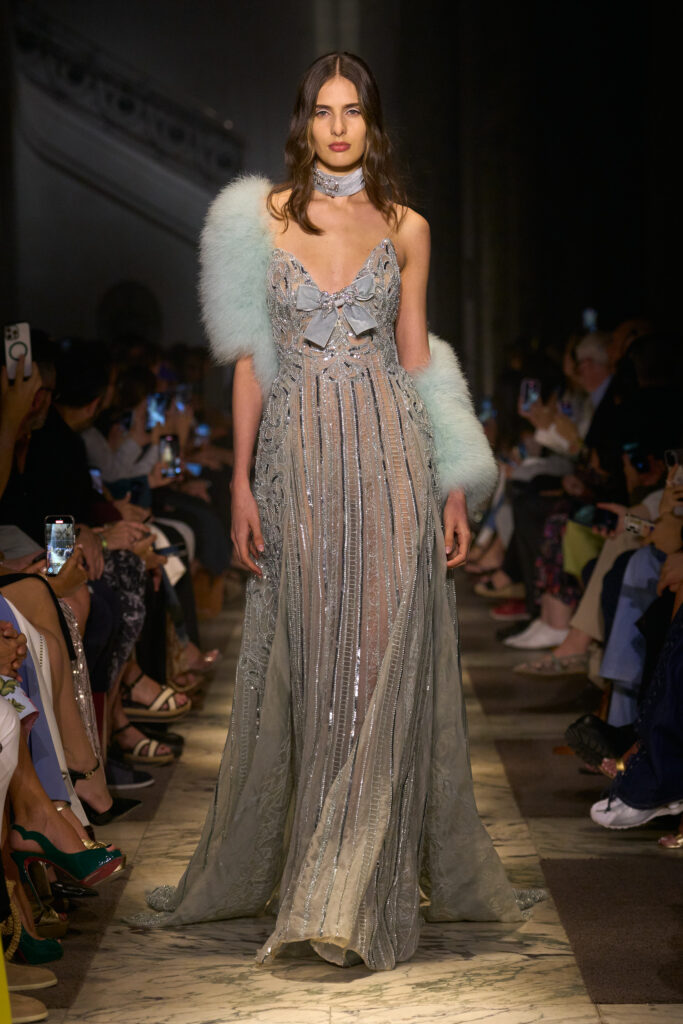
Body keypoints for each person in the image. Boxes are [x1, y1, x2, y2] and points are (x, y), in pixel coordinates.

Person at [134, 52, 539, 970]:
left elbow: (416, 358)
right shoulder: (261, 219)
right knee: (322, 668)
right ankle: (322, 875)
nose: (339, 126)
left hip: (393, 455)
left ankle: (353, 897)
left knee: (384, 663)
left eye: (353, 110)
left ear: (372, 122)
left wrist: (450, 480)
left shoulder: (407, 226)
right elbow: (249, 363)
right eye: (323, 111)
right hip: (299, 464)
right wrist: (240, 481)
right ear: (303, 122)